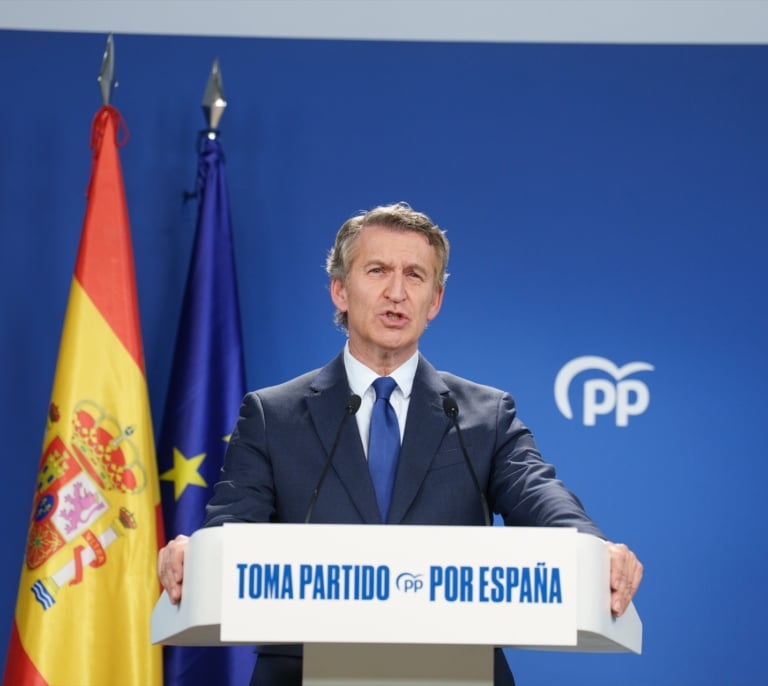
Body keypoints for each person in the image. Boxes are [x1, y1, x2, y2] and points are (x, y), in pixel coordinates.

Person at [157, 202, 643, 686]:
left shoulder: (485, 415)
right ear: (340, 290)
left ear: (435, 301)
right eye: (377, 271)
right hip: (303, 670)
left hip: (455, 669)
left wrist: (595, 548)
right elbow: (232, 524)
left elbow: (539, 496)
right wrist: (197, 554)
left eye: (415, 275)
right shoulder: (273, 414)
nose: (396, 292)